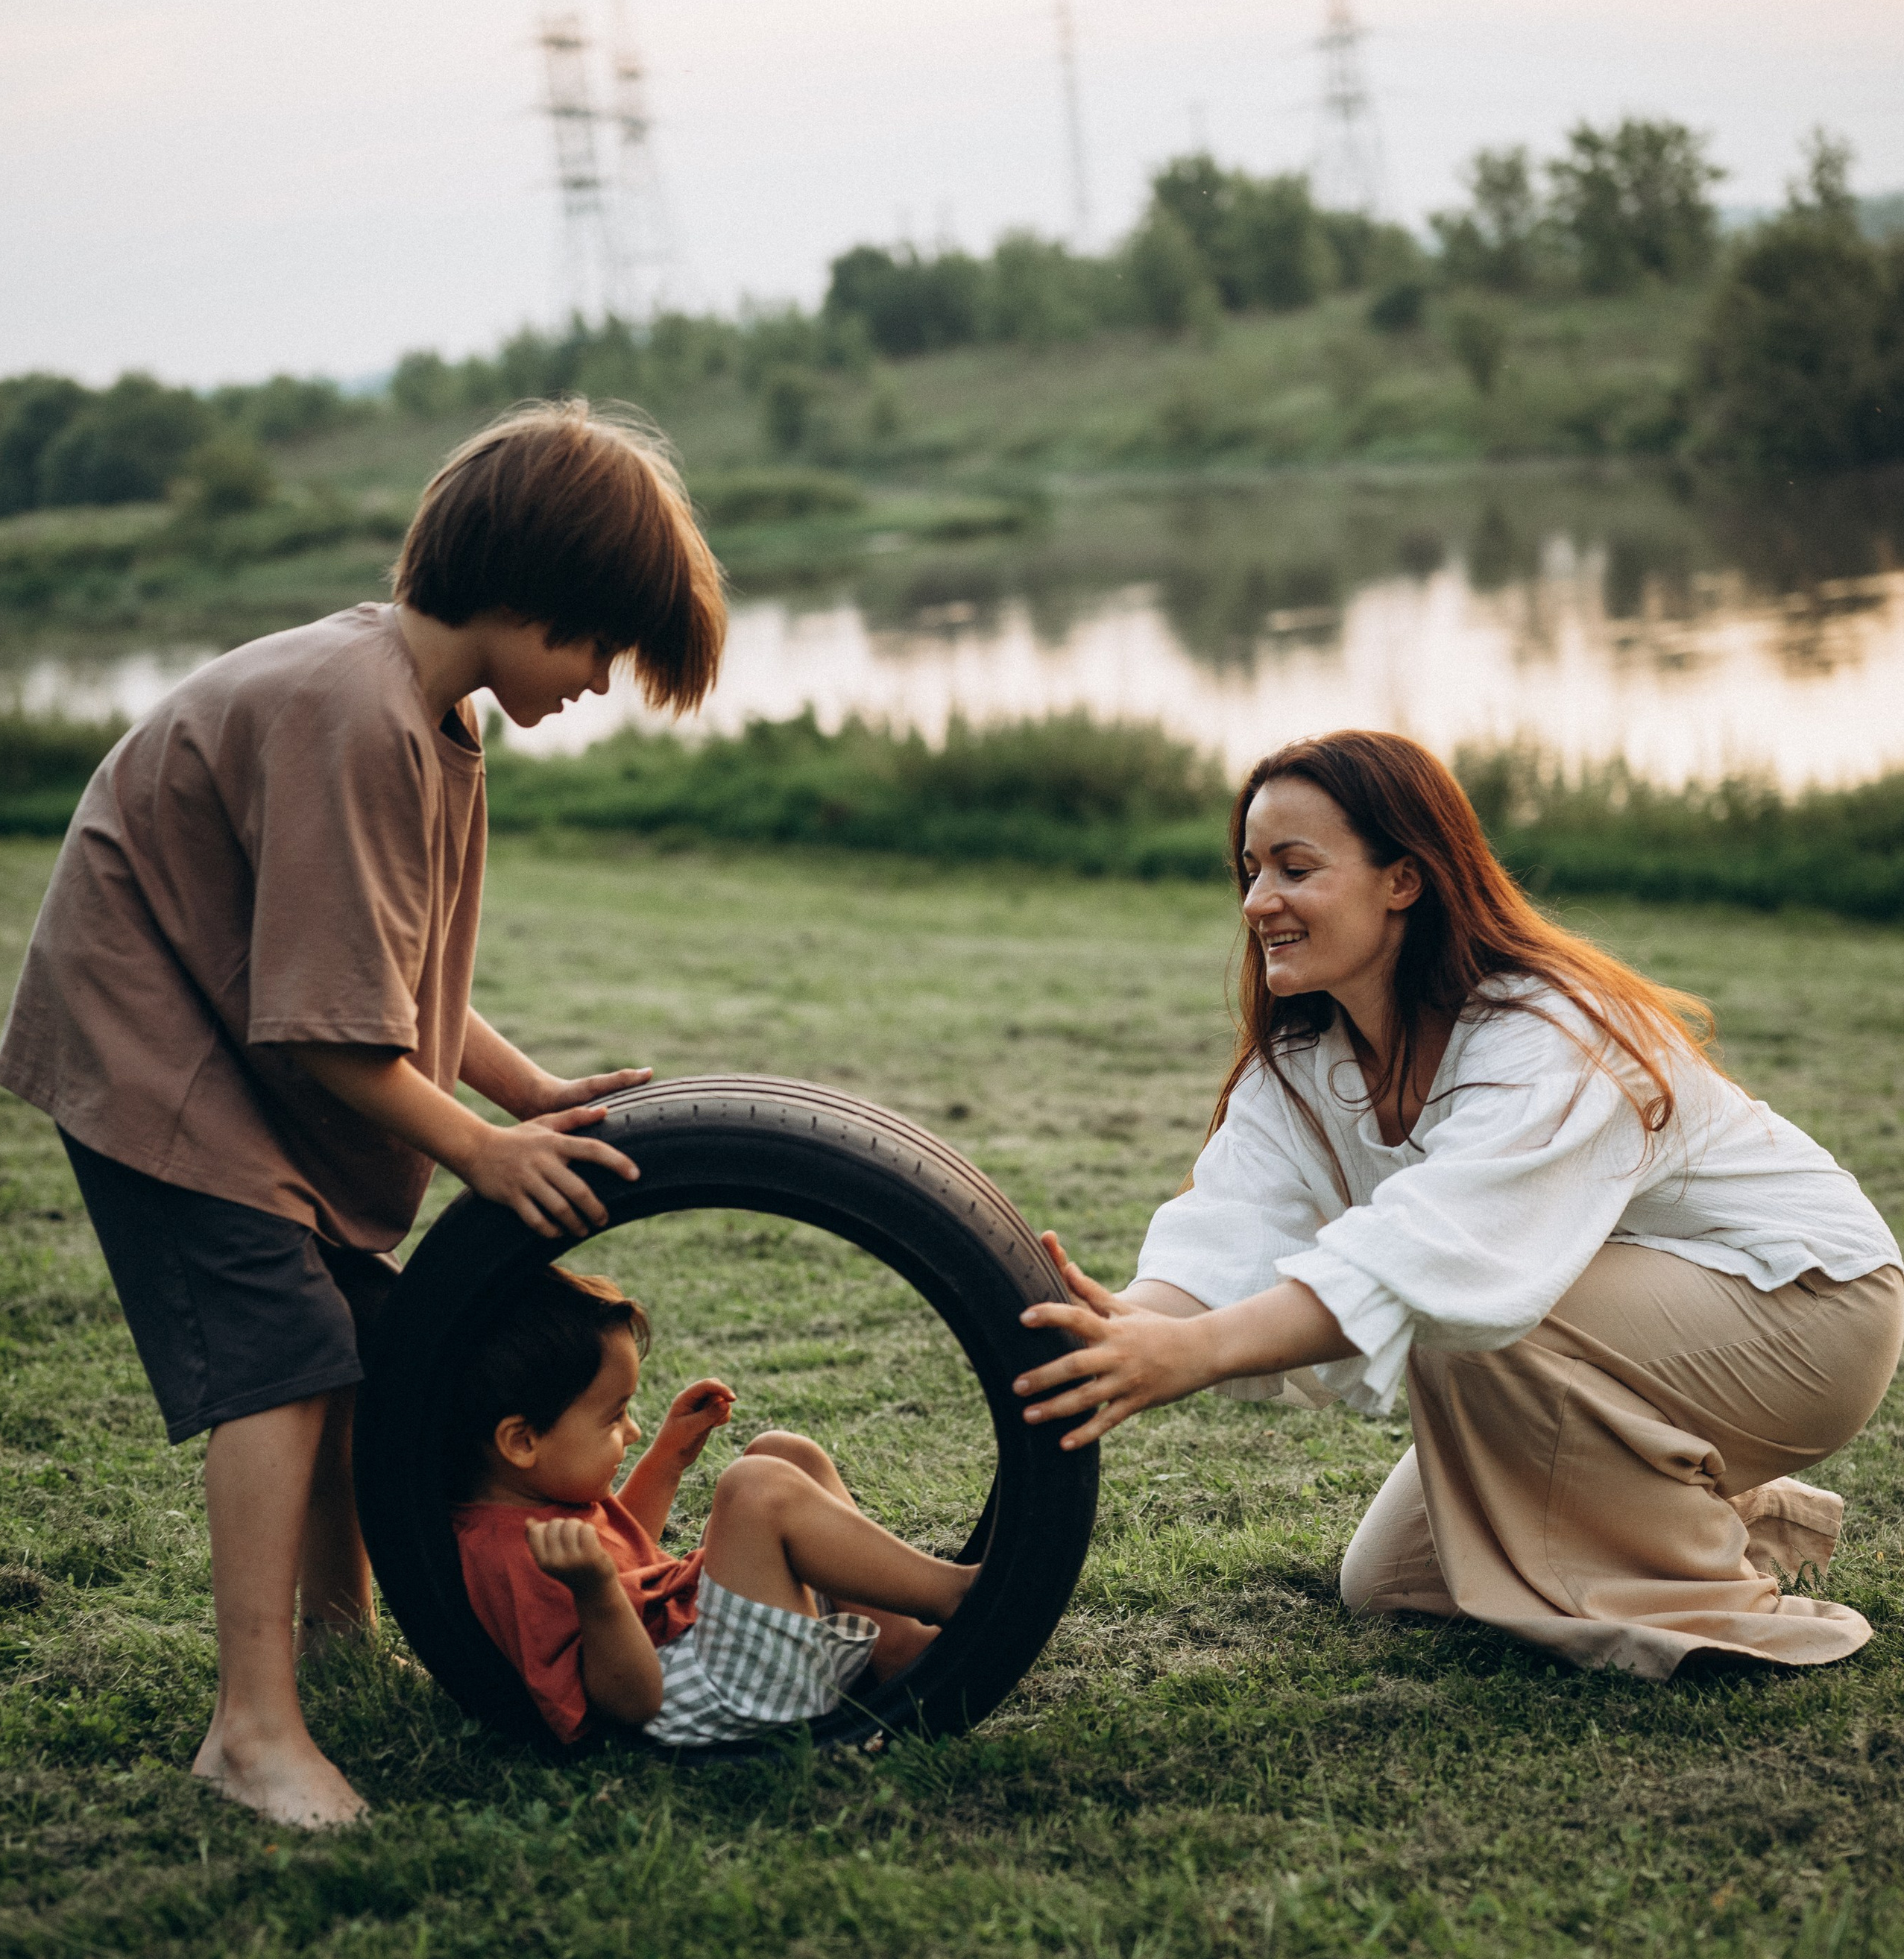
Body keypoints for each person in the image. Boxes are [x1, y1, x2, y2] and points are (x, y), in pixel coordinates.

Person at [0, 402, 728, 1826]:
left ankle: (337, 1636)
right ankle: (253, 1730)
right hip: (160, 1047)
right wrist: (479, 1147)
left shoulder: (430, 714)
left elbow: (383, 976)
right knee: (280, 1355)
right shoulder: (356, 717)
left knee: (340, 1339)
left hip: (223, 1023)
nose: (596, 683)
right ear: (527, 592)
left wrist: (526, 1090)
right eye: (596, 645)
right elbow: (326, 1031)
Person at [1015, 730, 1904, 1680]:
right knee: (1392, 1579)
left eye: (1294, 867)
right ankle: (1723, 1516)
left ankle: (1710, 1599)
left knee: (1468, 1316)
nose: (1257, 901)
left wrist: (1191, 1355)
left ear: (1403, 879)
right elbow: (1218, 1240)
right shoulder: (1307, 1062)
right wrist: (1112, 1330)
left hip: (1810, 1308)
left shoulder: (1546, 1026)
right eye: (1249, 870)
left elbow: (1452, 1252)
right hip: (1626, 1333)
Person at [449, 1266, 976, 1746]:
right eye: (613, 1418)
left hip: (708, 1647)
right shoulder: (506, 1556)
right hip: (709, 1698)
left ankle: (898, 1645)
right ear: (521, 1442)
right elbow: (633, 1701)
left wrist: (666, 1461)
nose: (632, 1431)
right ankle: (956, 1593)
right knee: (754, 1486)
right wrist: (596, 1591)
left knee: (782, 1450)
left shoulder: (544, 1496)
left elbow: (631, 1555)